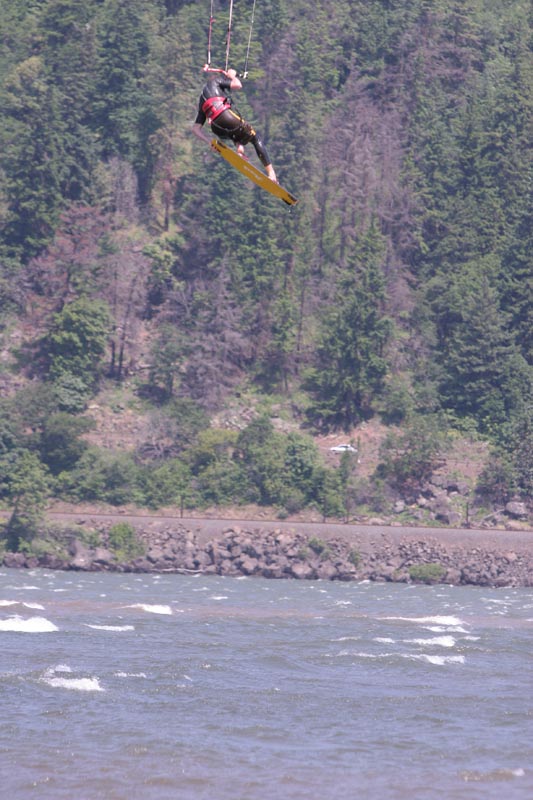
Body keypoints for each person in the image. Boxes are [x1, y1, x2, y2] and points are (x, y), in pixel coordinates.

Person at [192, 68, 278, 183]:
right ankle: (272, 174)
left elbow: (195, 129)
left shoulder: (201, 100)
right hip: (225, 115)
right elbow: (238, 85)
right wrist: (232, 76)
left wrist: (209, 142)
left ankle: (239, 149)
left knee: (234, 130)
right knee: (255, 138)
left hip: (216, 128)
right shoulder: (216, 81)